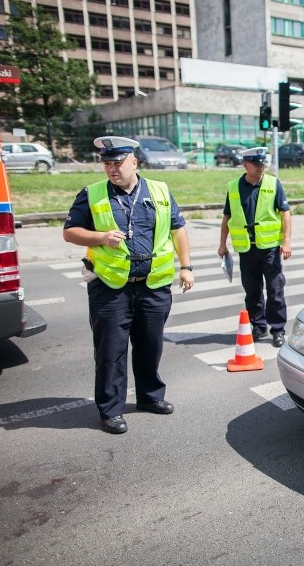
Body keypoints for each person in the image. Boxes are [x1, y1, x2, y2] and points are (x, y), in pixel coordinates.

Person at [62, 136, 194, 435]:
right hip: (110, 288)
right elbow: (70, 232)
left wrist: (186, 267)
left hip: (153, 285)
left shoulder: (159, 190)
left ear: (134, 161)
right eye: (107, 164)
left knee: (150, 346)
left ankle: (150, 397)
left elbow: (178, 230)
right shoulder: (91, 194)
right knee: (111, 351)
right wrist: (100, 237)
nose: (112, 169)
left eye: (117, 163)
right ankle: (110, 410)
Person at [218, 147, 292, 348]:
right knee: (252, 291)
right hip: (246, 249)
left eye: (263, 164)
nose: (261, 168)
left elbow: (285, 213)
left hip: (269, 248)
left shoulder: (272, 183)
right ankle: (258, 326)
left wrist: (286, 242)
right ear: (245, 165)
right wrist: (222, 244)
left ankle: (278, 329)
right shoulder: (234, 187)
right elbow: (227, 217)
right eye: (257, 164)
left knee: (275, 289)